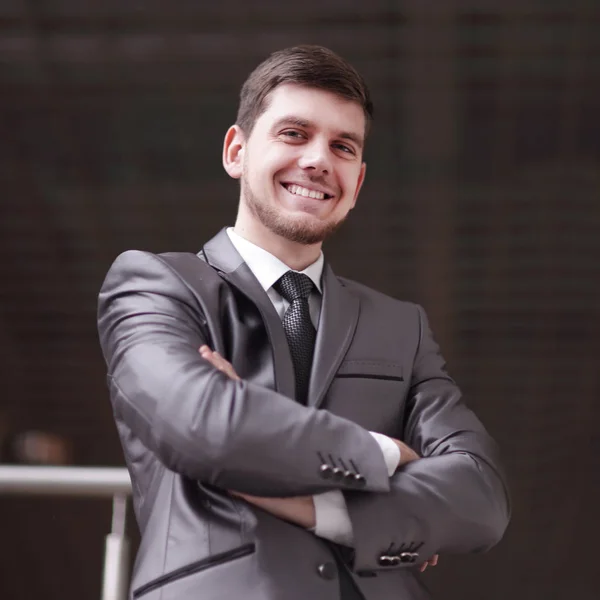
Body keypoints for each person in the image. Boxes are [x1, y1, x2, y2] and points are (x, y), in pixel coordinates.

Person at [97, 45, 510, 600]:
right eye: (294, 134)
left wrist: (320, 509)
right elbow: (205, 425)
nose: (319, 160)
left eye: (343, 146)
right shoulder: (155, 285)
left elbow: (482, 497)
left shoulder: (401, 326)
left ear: (357, 183)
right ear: (236, 151)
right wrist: (385, 453)